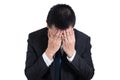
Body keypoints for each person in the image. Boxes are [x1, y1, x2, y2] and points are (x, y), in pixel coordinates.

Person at [24, 4, 95, 80]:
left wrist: (72, 54)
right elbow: (30, 76)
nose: (61, 36)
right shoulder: (34, 38)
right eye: (56, 34)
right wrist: (49, 53)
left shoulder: (83, 40)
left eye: (65, 33)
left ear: (72, 27)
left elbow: (89, 75)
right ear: (47, 24)